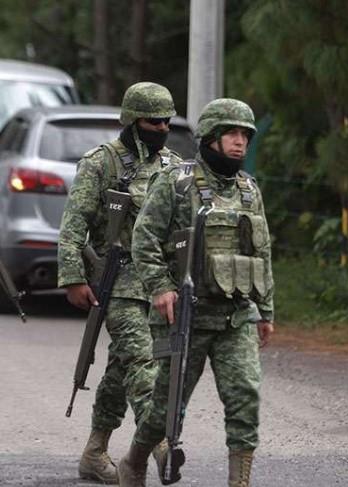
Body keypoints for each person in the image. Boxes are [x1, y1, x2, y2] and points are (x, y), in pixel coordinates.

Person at [118, 98, 274, 487]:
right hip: (185, 316)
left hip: (235, 315)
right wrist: (160, 288)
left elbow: (262, 251)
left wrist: (266, 310)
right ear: (210, 138)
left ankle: (240, 482)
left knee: (245, 400)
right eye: (232, 134)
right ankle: (134, 460)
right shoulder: (176, 182)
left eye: (245, 135)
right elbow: (145, 239)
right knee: (166, 407)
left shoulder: (249, 190)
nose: (240, 143)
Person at [58, 81, 183, 484]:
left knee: (120, 368)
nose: (161, 128)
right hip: (118, 283)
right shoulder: (101, 163)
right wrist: (73, 277)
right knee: (144, 362)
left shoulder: (174, 167)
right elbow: (73, 226)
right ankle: (161, 445)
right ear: (131, 121)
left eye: (166, 121)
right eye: (152, 121)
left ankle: (95, 452)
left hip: (159, 282)